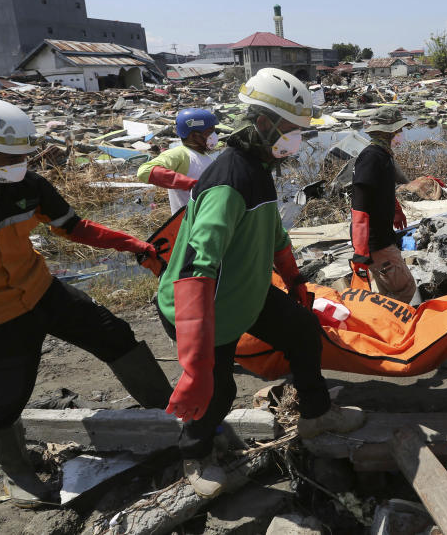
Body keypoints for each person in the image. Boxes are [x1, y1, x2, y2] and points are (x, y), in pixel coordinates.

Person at [0, 98, 172, 508]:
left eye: (24, 154)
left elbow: (73, 226)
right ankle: (18, 472)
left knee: (116, 335)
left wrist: (130, 242)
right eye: (10, 156)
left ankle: (168, 414)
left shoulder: (30, 187)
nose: (21, 162)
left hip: (44, 291)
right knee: (5, 401)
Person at [156, 68, 365, 499]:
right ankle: (195, 454)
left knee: (303, 331)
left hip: (243, 293)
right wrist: (195, 360)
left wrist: (295, 282)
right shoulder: (229, 181)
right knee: (216, 388)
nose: (296, 140)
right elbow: (198, 265)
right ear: (263, 123)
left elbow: (274, 235)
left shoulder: (258, 168)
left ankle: (315, 413)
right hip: (201, 307)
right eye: (291, 130)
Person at [349, 107, 417, 304]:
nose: (400, 134)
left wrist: (396, 210)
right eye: (397, 131)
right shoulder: (371, 157)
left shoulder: (383, 155)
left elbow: (381, 190)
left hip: (381, 236)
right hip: (376, 241)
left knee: (387, 293)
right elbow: (360, 205)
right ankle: (396, 329)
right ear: (387, 132)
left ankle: (386, 328)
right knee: (405, 289)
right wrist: (361, 249)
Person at [136, 108, 220, 213]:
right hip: (187, 223)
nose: (214, 135)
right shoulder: (181, 154)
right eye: (209, 132)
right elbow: (145, 171)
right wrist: (191, 184)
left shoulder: (207, 156)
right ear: (194, 135)